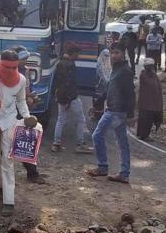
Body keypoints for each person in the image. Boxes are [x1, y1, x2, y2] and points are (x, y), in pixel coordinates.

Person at [0, 49, 36, 217]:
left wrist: (26, 117)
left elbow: (21, 100)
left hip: (9, 121)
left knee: (7, 160)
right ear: (0, 64)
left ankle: (8, 200)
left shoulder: (21, 80)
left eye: (13, 68)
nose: (10, 71)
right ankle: (0, 186)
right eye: (7, 67)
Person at [87, 42, 135, 184]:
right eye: (112, 53)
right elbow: (108, 90)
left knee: (97, 135)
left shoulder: (125, 71)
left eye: (117, 53)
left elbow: (131, 94)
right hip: (115, 110)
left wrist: (131, 115)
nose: (114, 56)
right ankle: (124, 173)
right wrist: (96, 104)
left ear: (123, 54)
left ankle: (103, 167)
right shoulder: (116, 69)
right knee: (122, 143)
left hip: (116, 111)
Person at [51, 42, 93, 154]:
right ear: (73, 53)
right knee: (81, 119)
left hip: (60, 95)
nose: (78, 56)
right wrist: (69, 99)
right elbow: (69, 83)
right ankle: (80, 144)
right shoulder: (70, 65)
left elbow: (58, 82)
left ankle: (56, 143)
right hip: (71, 97)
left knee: (61, 119)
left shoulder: (60, 63)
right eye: (77, 54)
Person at [16, 47, 46, 184]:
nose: (25, 61)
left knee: (26, 142)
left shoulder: (25, 71)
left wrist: (32, 98)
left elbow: (29, 89)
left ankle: (32, 173)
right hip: (12, 112)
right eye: (23, 59)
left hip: (23, 110)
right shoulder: (11, 73)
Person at [137, 58, 163, 141]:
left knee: (148, 119)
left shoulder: (153, 75)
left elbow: (157, 88)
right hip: (146, 103)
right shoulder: (144, 75)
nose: (151, 68)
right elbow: (151, 85)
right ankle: (143, 135)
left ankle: (143, 134)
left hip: (151, 103)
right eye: (149, 66)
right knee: (145, 120)